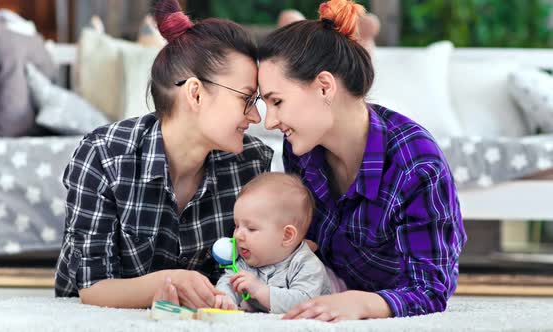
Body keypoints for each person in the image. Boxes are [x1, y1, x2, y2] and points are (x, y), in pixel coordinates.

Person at [54, 0, 272, 309]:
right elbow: (91, 288)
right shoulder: (104, 156)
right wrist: (171, 282)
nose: (256, 117)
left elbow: (259, 276)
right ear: (195, 93)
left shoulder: (253, 163)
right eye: (247, 99)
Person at [257, 0, 466, 321]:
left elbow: (431, 288)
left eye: (277, 101)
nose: (269, 121)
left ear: (325, 86)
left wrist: (363, 303)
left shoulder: (417, 162)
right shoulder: (301, 147)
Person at [213, 172, 331, 313]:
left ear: (287, 236)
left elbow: (305, 302)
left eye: (251, 228)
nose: (238, 235)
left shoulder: (306, 265)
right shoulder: (245, 260)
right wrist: (224, 298)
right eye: (236, 226)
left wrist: (261, 291)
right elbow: (229, 281)